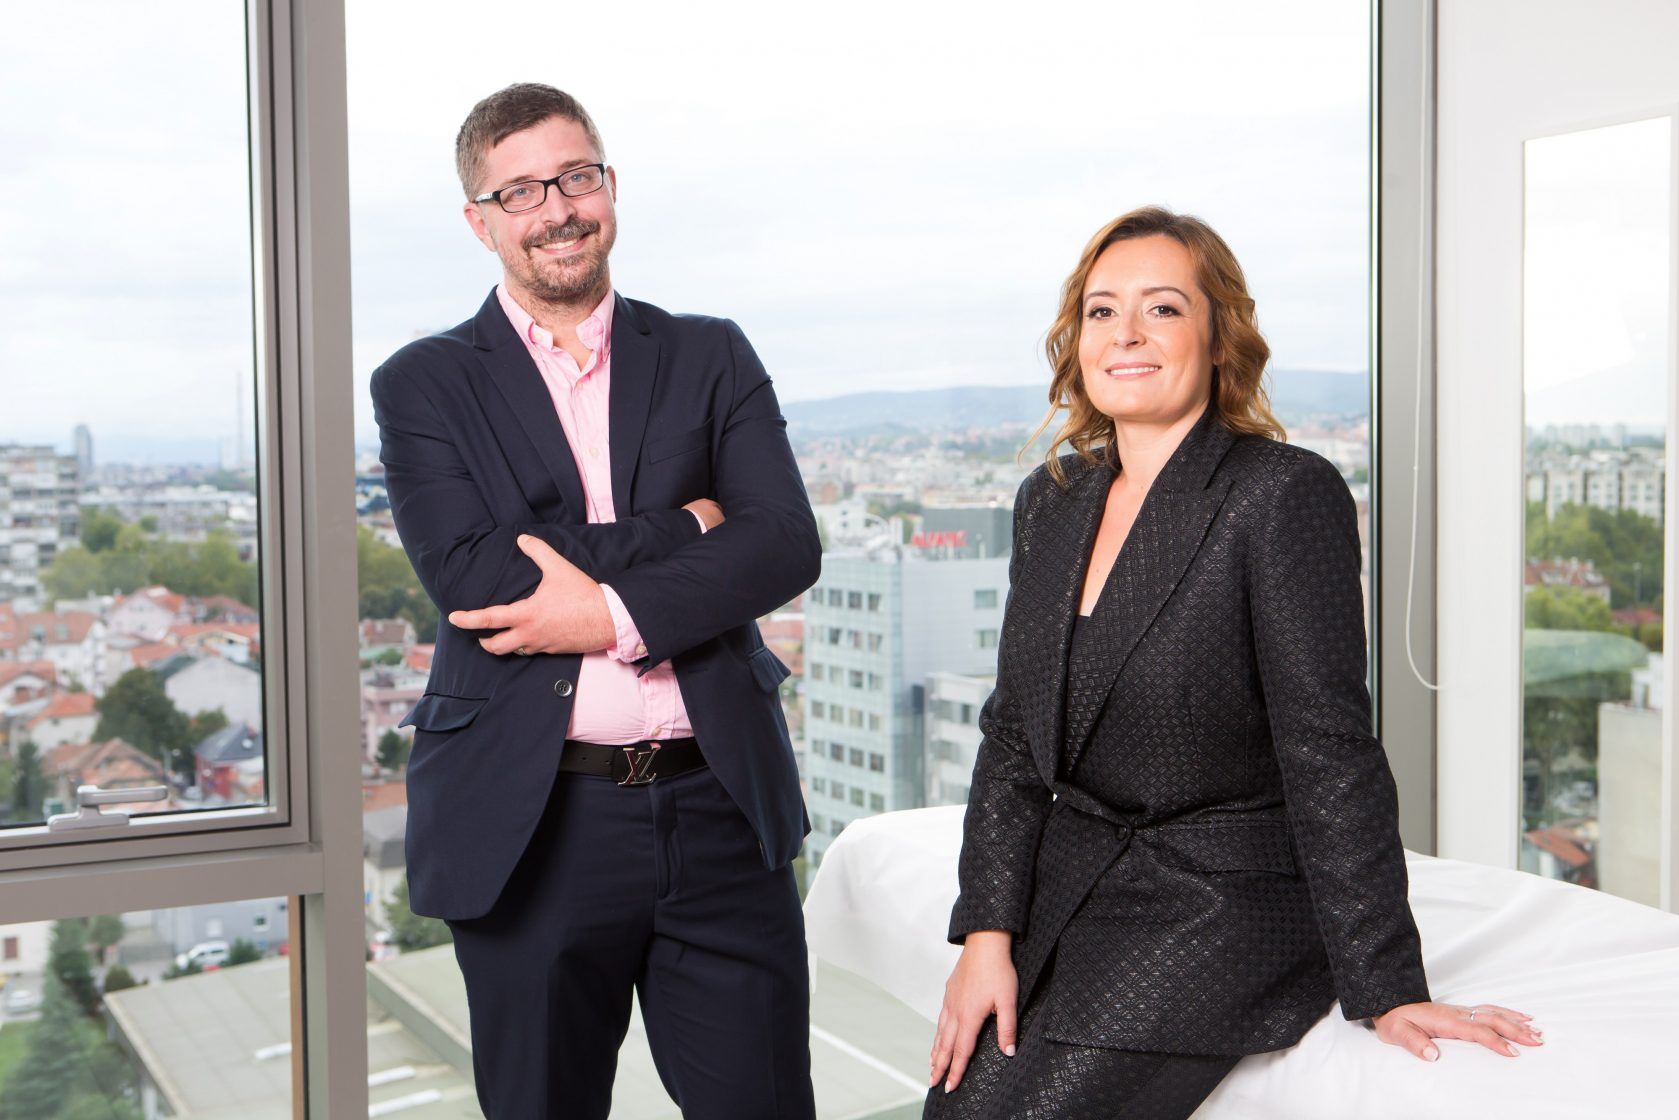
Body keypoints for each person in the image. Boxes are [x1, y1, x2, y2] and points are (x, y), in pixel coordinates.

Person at [923, 207, 1541, 1119]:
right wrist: (987, 934)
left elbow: (1329, 750)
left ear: (1218, 340)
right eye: (1102, 311)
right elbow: (1014, 734)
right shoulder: (1051, 500)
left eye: (1163, 309)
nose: (1127, 334)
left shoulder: (1281, 493)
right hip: (1077, 881)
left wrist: (1388, 985)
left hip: (1220, 899)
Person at [369, 83, 819, 1120]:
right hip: (535, 825)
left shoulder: (710, 353)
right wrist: (691, 527)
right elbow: (477, 576)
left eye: (575, 178)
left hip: (720, 807)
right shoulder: (424, 383)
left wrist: (607, 615)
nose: (557, 209)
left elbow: (784, 542)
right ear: (479, 222)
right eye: (520, 191)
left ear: (609, 186)